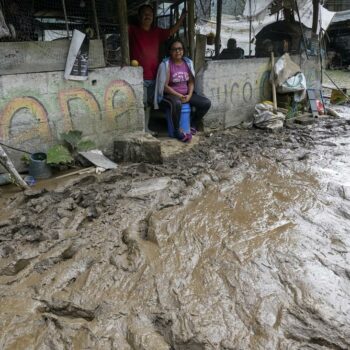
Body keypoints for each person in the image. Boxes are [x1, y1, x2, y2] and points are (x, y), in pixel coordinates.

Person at [128, 4, 186, 134]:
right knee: (140, 104)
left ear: (153, 17)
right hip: (137, 76)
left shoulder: (157, 32)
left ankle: (146, 128)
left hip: (154, 76)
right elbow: (121, 29)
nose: (147, 16)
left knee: (148, 104)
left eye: (150, 14)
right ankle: (139, 129)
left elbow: (171, 31)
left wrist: (182, 18)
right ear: (139, 17)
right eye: (144, 13)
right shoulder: (132, 30)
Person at [154, 39, 211, 142]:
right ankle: (177, 132)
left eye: (180, 49)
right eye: (174, 49)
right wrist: (179, 95)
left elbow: (191, 82)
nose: (177, 51)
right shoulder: (166, 64)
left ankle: (192, 124)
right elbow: (165, 86)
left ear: (183, 50)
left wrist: (189, 95)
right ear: (170, 51)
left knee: (205, 103)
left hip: (185, 95)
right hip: (169, 96)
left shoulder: (187, 63)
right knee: (177, 103)